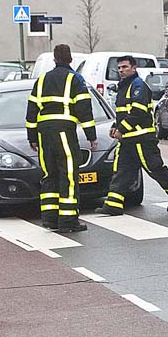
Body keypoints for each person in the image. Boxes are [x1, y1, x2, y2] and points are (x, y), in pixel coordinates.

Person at [94, 56, 168, 216]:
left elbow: (138, 112)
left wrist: (121, 129)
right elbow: (124, 113)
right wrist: (115, 126)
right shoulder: (124, 87)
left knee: (154, 168)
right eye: (120, 67)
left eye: (125, 67)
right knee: (121, 170)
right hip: (128, 139)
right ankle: (113, 204)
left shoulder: (138, 86)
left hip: (141, 139)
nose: (121, 70)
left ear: (133, 68)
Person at [26, 44, 97, 233]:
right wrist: (92, 136)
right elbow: (84, 108)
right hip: (64, 131)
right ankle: (68, 220)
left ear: (55, 60)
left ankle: (50, 218)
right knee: (69, 174)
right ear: (71, 59)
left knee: (50, 174)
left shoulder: (41, 80)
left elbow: (31, 110)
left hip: (43, 133)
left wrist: (32, 137)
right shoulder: (75, 79)